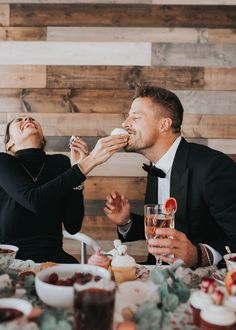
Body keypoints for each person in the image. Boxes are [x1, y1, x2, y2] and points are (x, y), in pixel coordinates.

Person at [104, 86, 236, 268]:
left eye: (135, 117)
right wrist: (126, 221)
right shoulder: (156, 166)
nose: (125, 124)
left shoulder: (212, 167)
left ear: (164, 124)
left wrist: (199, 254)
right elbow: (164, 229)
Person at [0, 115, 128, 263]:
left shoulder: (60, 163)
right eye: (19, 120)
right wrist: (87, 163)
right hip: (11, 259)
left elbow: (73, 226)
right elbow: (33, 200)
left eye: (32, 119)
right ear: (10, 144)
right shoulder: (4, 162)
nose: (28, 118)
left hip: (53, 257)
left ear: (42, 139)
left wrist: (77, 178)